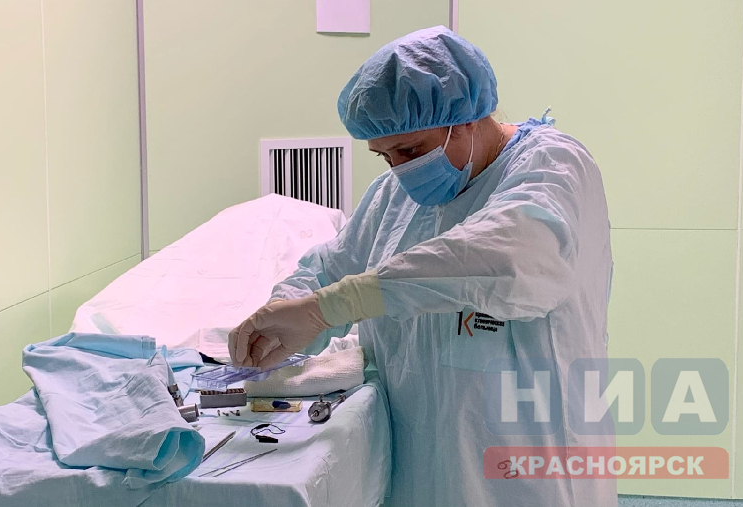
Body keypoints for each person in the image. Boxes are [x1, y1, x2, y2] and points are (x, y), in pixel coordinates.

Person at [230, 25, 616, 507]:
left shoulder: (553, 165)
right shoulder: (393, 194)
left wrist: (333, 306)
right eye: (384, 155)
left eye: (411, 150)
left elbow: (510, 256)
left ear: (467, 118)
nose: (399, 168)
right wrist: (285, 311)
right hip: (420, 455)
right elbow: (331, 266)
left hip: (528, 460)